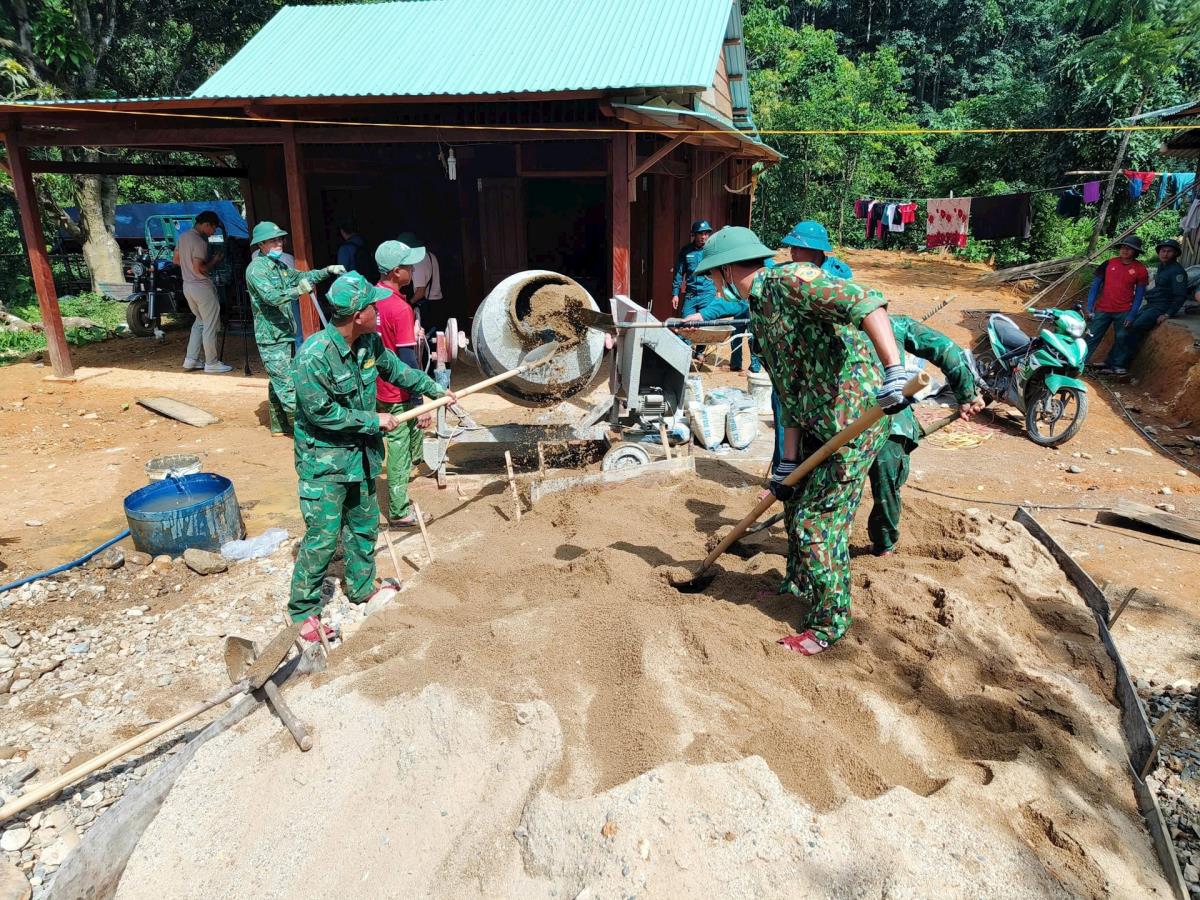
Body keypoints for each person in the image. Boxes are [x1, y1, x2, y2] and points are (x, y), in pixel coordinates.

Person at [693, 226, 909, 657]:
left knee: (817, 525)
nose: (714, 285)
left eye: (714, 275)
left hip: (853, 421)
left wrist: (894, 370)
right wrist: (787, 463)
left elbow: (867, 302)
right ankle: (797, 586)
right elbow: (788, 391)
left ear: (728, 269)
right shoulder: (760, 313)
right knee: (794, 506)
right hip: (814, 419)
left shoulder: (792, 279)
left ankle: (829, 623)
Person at [289, 272, 456, 643]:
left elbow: (397, 371)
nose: (377, 311)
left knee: (363, 527)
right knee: (322, 539)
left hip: (361, 457)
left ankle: (362, 588)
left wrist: (436, 390)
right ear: (356, 315)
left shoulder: (369, 342)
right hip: (325, 465)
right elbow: (321, 413)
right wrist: (372, 419)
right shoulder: (313, 357)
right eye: (372, 307)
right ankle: (302, 614)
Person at [867, 316, 984, 556]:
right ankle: (884, 547)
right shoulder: (891, 323)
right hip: (889, 424)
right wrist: (967, 395)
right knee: (886, 492)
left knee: (834, 495)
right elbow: (946, 349)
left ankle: (872, 548)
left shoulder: (816, 325)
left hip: (863, 425)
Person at [244, 221, 345, 435]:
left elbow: (302, 277)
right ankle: (307, 433)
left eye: (280, 239)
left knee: (279, 379)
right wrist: (297, 291)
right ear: (261, 244)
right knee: (288, 386)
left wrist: (327, 271)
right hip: (271, 337)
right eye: (273, 240)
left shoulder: (279, 266)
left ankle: (279, 425)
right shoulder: (256, 270)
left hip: (285, 333)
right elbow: (271, 297)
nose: (279, 243)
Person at [375, 240, 431, 527]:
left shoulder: (370, 297)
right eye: (409, 266)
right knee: (398, 445)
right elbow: (408, 360)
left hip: (373, 385)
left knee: (380, 440)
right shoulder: (400, 309)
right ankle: (399, 511)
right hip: (396, 390)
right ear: (397, 272)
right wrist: (420, 402)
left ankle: (419, 459)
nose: (413, 269)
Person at [673, 219, 761, 372]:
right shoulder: (689, 251)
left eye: (713, 275)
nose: (704, 237)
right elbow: (731, 304)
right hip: (694, 295)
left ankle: (754, 368)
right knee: (737, 329)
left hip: (722, 296)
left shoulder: (773, 284)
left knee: (754, 334)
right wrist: (701, 314)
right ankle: (733, 364)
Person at [1103, 238, 1190, 375]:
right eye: (1163, 251)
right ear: (1159, 252)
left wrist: (1168, 313)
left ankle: (1120, 365)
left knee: (1135, 328)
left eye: (1169, 251)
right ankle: (1109, 362)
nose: (1165, 254)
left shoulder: (1177, 271)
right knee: (1126, 326)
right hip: (1151, 304)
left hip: (1161, 307)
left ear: (1175, 254)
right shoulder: (1162, 266)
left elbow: (1180, 296)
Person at [175, 211, 231, 374]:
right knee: (210, 324)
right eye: (213, 229)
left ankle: (191, 359)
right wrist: (215, 260)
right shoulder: (199, 242)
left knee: (199, 322)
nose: (213, 232)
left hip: (187, 286)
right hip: (201, 287)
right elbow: (200, 268)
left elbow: (176, 260)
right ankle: (211, 362)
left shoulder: (183, 237)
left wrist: (189, 267)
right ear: (207, 224)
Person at [1084, 235, 1148, 367]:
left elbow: (1139, 295)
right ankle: (1080, 362)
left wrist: (1132, 315)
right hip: (1103, 308)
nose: (1125, 250)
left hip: (1124, 311)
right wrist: (1089, 307)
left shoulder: (1141, 269)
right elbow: (1095, 286)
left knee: (1121, 338)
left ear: (1136, 252)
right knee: (1091, 335)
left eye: (1129, 248)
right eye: (1123, 247)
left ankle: (1116, 366)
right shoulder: (1108, 263)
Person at [397, 231, 443, 333]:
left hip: (426, 307)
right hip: (437, 302)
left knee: (424, 337)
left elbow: (420, 292)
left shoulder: (418, 262)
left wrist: (408, 304)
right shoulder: (431, 255)